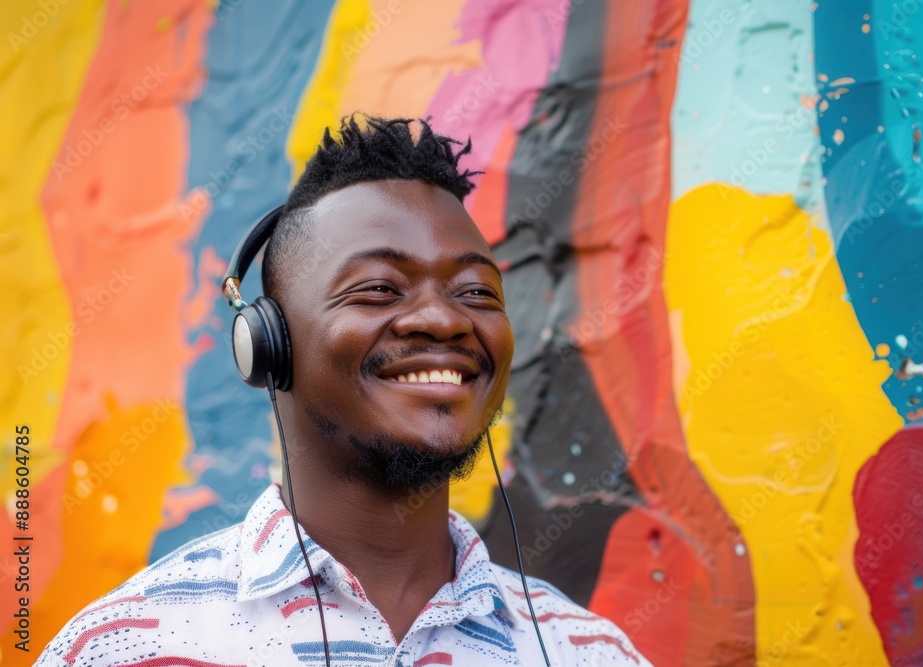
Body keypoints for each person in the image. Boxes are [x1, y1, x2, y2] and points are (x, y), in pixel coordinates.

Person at [36, 116, 651, 666]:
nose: (445, 320)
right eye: (381, 288)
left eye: (475, 292)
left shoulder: (589, 652)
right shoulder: (125, 647)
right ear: (268, 342)